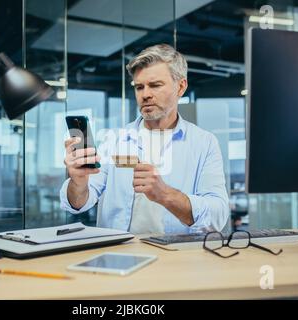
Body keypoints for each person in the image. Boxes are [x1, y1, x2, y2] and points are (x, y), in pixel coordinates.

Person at [60, 44, 229, 234]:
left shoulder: (204, 143)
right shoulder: (115, 139)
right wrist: (78, 183)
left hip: (176, 259)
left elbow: (218, 216)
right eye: (139, 87)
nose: (145, 94)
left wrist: (165, 195)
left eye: (155, 85)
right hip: (118, 257)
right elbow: (78, 203)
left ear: (181, 87)